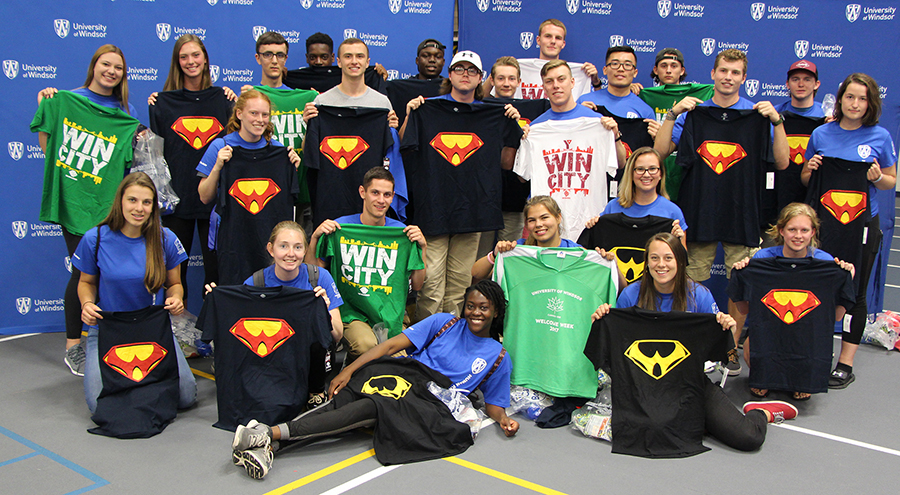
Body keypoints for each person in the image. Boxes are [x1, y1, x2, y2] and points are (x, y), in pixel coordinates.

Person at [230, 280, 518, 479]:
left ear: (496, 311)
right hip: (405, 375)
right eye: (471, 306)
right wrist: (348, 369)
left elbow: (494, 403)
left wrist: (503, 419)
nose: (475, 313)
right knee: (344, 400)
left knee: (368, 408)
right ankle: (268, 442)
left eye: (483, 307)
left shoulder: (498, 356)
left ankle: (269, 434)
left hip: (431, 401)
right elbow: (390, 347)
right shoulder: (443, 322)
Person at [591, 233, 797, 453]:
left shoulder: (699, 295)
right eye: (654, 258)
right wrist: (603, 319)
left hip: (689, 383)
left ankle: (760, 412)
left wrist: (729, 328)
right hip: (644, 387)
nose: (661, 265)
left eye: (668, 258)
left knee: (748, 438)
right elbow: (616, 348)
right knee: (652, 433)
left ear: (680, 261)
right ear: (647, 262)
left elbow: (725, 352)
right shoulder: (631, 295)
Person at [653, 49, 790, 373]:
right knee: (688, 284)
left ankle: (731, 347)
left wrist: (777, 121)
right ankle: (691, 343)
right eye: (724, 71)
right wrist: (672, 114)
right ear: (713, 74)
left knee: (739, 284)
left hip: (743, 214)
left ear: (744, 78)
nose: (728, 77)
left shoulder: (757, 116)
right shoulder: (694, 114)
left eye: (735, 72)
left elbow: (783, 162)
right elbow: (659, 152)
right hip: (697, 211)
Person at [34, 44, 141, 376]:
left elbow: (132, 163)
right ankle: (72, 345)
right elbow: (48, 144)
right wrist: (48, 105)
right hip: (74, 202)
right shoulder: (64, 100)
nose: (111, 71)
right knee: (83, 273)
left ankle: (104, 337)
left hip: (109, 206)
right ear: (94, 66)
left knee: (107, 271)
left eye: (118, 68)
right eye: (105, 64)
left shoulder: (126, 115)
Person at [801, 73, 897, 389]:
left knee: (855, 291)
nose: (855, 104)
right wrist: (810, 169)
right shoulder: (821, 133)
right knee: (816, 286)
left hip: (862, 225)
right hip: (822, 223)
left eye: (862, 98)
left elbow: (890, 181)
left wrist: (875, 177)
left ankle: (845, 362)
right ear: (840, 99)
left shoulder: (880, 137)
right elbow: (805, 180)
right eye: (850, 97)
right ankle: (813, 352)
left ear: (871, 103)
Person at [74, 172, 196, 414]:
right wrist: (87, 303)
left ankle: (138, 388)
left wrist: (176, 298)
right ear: (120, 201)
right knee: (98, 403)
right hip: (108, 329)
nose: (139, 208)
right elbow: (85, 282)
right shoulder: (95, 238)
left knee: (185, 396)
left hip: (153, 328)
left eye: (146, 202)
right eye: (132, 200)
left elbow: (175, 284)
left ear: (153, 206)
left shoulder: (166, 239)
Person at [205, 220, 344, 408]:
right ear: (271, 249)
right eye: (283, 246)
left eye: (297, 247)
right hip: (274, 353)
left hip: (308, 355)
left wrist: (324, 312)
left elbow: (337, 335)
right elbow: (237, 328)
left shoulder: (319, 278)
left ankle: (315, 389)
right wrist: (218, 301)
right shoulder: (257, 282)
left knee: (318, 339)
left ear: (304, 251)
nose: (290, 254)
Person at [731, 203, 855, 399]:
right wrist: (743, 273)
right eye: (792, 229)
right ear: (781, 231)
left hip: (805, 337)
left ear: (813, 232)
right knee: (754, 340)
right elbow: (743, 308)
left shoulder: (825, 263)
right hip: (770, 334)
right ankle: (764, 376)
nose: (798, 236)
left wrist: (846, 279)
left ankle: (803, 379)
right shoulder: (762, 259)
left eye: (804, 230)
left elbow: (837, 316)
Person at [148, 34, 236, 304]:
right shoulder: (161, 103)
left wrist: (232, 101)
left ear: (205, 58)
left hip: (214, 198)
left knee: (216, 271)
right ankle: (178, 335)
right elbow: (156, 156)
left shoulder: (224, 99)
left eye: (195, 55)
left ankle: (211, 332)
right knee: (175, 272)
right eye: (184, 56)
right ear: (177, 62)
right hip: (177, 198)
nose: (190, 61)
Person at [305, 167, 426, 362]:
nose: (381, 200)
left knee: (400, 360)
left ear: (393, 196)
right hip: (352, 314)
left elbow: (418, 285)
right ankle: (351, 367)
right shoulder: (340, 228)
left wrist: (423, 248)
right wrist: (315, 239)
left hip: (391, 316)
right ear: (363, 192)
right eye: (375, 193)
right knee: (366, 346)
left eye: (387, 195)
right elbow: (313, 275)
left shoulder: (403, 233)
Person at [511, 60, 624, 241]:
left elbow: (619, 164)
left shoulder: (598, 123)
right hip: (546, 226)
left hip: (589, 221)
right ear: (543, 87)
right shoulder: (536, 128)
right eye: (549, 81)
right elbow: (522, 177)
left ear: (572, 83)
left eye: (561, 79)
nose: (556, 85)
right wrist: (523, 142)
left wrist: (615, 136)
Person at [635, 48, 714, 200]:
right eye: (664, 66)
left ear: (682, 70)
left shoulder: (705, 93)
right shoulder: (644, 96)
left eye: (674, 66)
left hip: (687, 167)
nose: (669, 70)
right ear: (655, 70)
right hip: (655, 168)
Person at [585, 147, 686, 247]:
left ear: (660, 174)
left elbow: (681, 258)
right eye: (640, 169)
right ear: (631, 173)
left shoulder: (672, 211)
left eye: (652, 169)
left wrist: (679, 240)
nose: (646, 174)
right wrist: (593, 225)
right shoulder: (613, 207)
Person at [482, 18, 599, 99]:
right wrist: (499, 69)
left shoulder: (578, 72)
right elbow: (482, 97)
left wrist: (596, 82)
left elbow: (597, 107)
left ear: (563, 44)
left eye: (557, 38)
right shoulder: (518, 67)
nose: (553, 41)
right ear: (538, 40)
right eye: (548, 36)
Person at [472, 195, 580, 280]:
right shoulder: (518, 249)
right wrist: (495, 255)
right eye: (532, 220)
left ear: (558, 218)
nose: (538, 224)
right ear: (526, 224)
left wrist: (597, 256)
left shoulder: (575, 251)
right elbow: (476, 273)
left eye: (544, 218)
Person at [302, 38, 398, 127]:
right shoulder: (321, 101)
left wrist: (392, 130)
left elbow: (389, 143)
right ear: (339, 62)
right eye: (348, 56)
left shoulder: (382, 102)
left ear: (367, 62)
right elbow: (310, 144)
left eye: (359, 56)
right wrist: (309, 124)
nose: (354, 61)